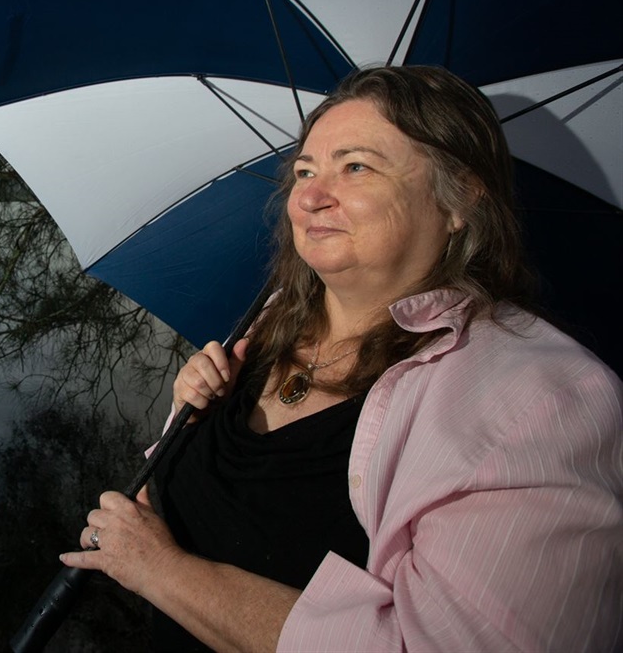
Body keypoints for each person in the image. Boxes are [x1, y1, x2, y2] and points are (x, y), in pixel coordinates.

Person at [60, 65, 622, 652]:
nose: (308, 195)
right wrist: (184, 426)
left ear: (459, 199)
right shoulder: (270, 321)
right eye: (304, 170)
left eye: (355, 166)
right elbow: (218, 504)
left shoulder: (544, 400)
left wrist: (162, 572)